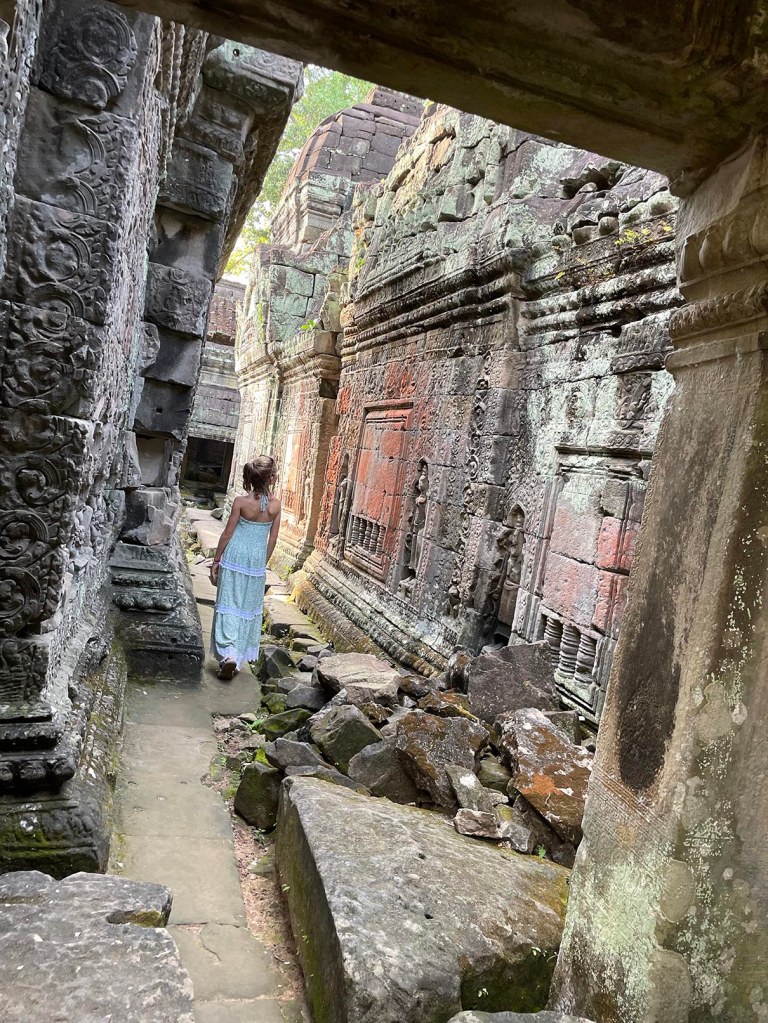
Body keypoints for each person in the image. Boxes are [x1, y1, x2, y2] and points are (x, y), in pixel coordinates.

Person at [209, 455, 281, 680]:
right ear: (271, 478)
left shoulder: (241, 502)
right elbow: (273, 539)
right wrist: (263, 563)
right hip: (256, 559)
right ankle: (237, 657)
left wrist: (216, 560)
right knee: (247, 607)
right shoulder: (276, 505)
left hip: (235, 555)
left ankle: (228, 653)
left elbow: (227, 533)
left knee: (228, 602)